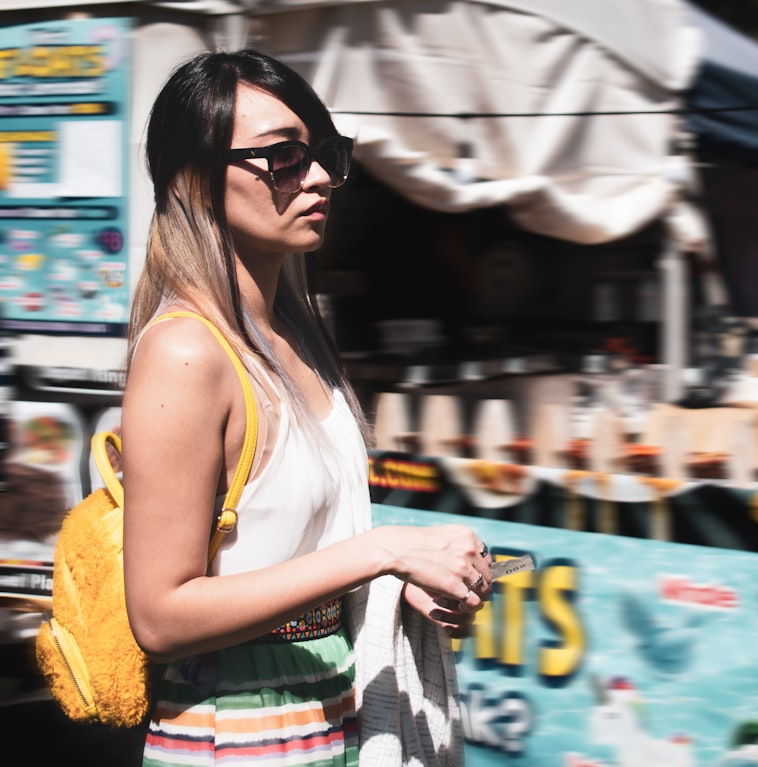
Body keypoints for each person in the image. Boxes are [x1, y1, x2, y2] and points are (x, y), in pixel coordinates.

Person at [121, 49, 492, 766]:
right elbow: (159, 615)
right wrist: (380, 551)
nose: (320, 175)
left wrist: (405, 574)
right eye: (283, 157)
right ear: (195, 178)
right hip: (239, 728)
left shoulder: (294, 333)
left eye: (324, 153)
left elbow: (292, 552)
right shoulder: (187, 351)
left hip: (330, 708)